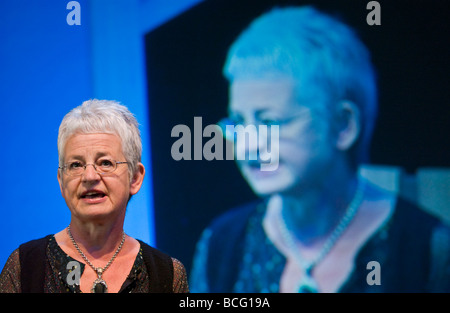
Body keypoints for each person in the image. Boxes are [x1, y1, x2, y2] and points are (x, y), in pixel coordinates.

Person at [189, 6, 450, 293]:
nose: (249, 144)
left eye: (270, 122)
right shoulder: (222, 245)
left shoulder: (427, 250)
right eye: (239, 122)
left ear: (343, 125)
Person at [0, 99, 189, 293]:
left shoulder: (167, 274)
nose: (89, 176)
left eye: (105, 163)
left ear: (135, 178)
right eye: (76, 165)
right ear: (61, 180)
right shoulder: (26, 267)